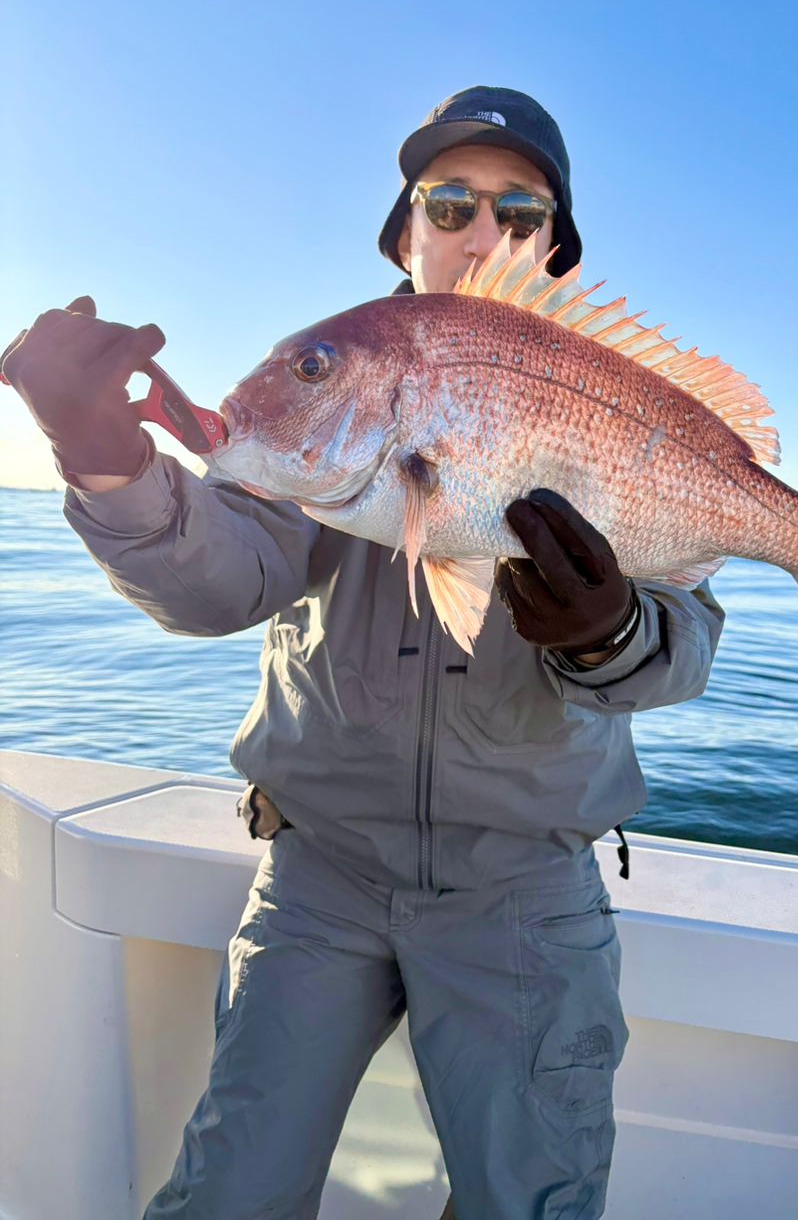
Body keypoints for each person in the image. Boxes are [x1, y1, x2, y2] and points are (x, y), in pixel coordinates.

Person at [3, 85, 724, 1219]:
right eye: (448, 202)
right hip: (320, 872)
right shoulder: (341, 377)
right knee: (227, 1193)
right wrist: (107, 462)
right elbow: (222, 576)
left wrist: (612, 631)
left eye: (520, 213)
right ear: (406, 232)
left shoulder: (615, 408)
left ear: (552, 253)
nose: (481, 231)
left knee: (530, 1200)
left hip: (525, 880)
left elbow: (685, 648)